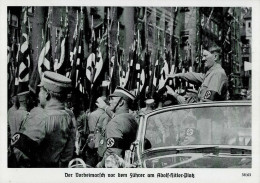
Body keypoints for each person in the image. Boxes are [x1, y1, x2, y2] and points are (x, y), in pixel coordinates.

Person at [11, 71, 76, 167]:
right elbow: (67, 154)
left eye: (41, 90)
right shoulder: (69, 116)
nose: (39, 94)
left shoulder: (40, 116)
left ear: (47, 94)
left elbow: (21, 154)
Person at [96, 86, 138, 168]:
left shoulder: (115, 122)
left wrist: (100, 165)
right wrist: (105, 108)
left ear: (121, 102)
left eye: (112, 99)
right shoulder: (130, 118)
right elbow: (116, 117)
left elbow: (113, 154)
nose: (109, 101)